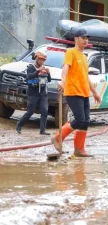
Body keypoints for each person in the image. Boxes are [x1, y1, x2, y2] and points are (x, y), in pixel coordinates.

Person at [51, 28, 102, 157]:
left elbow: (86, 77)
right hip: (73, 92)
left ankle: (79, 149)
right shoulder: (70, 52)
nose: (86, 40)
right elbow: (66, 67)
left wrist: (95, 92)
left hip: (84, 93)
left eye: (87, 38)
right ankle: (57, 137)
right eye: (83, 38)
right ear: (76, 39)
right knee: (79, 119)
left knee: (85, 121)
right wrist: (62, 81)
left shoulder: (84, 57)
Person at [16, 51, 51, 135]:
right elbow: (28, 78)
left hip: (43, 94)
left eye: (43, 60)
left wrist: (48, 73)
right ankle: (19, 124)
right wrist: (37, 71)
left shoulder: (44, 68)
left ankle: (42, 130)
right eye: (40, 60)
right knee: (30, 111)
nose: (42, 62)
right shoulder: (31, 67)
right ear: (36, 59)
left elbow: (48, 80)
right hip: (33, 93)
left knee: (44, 111)